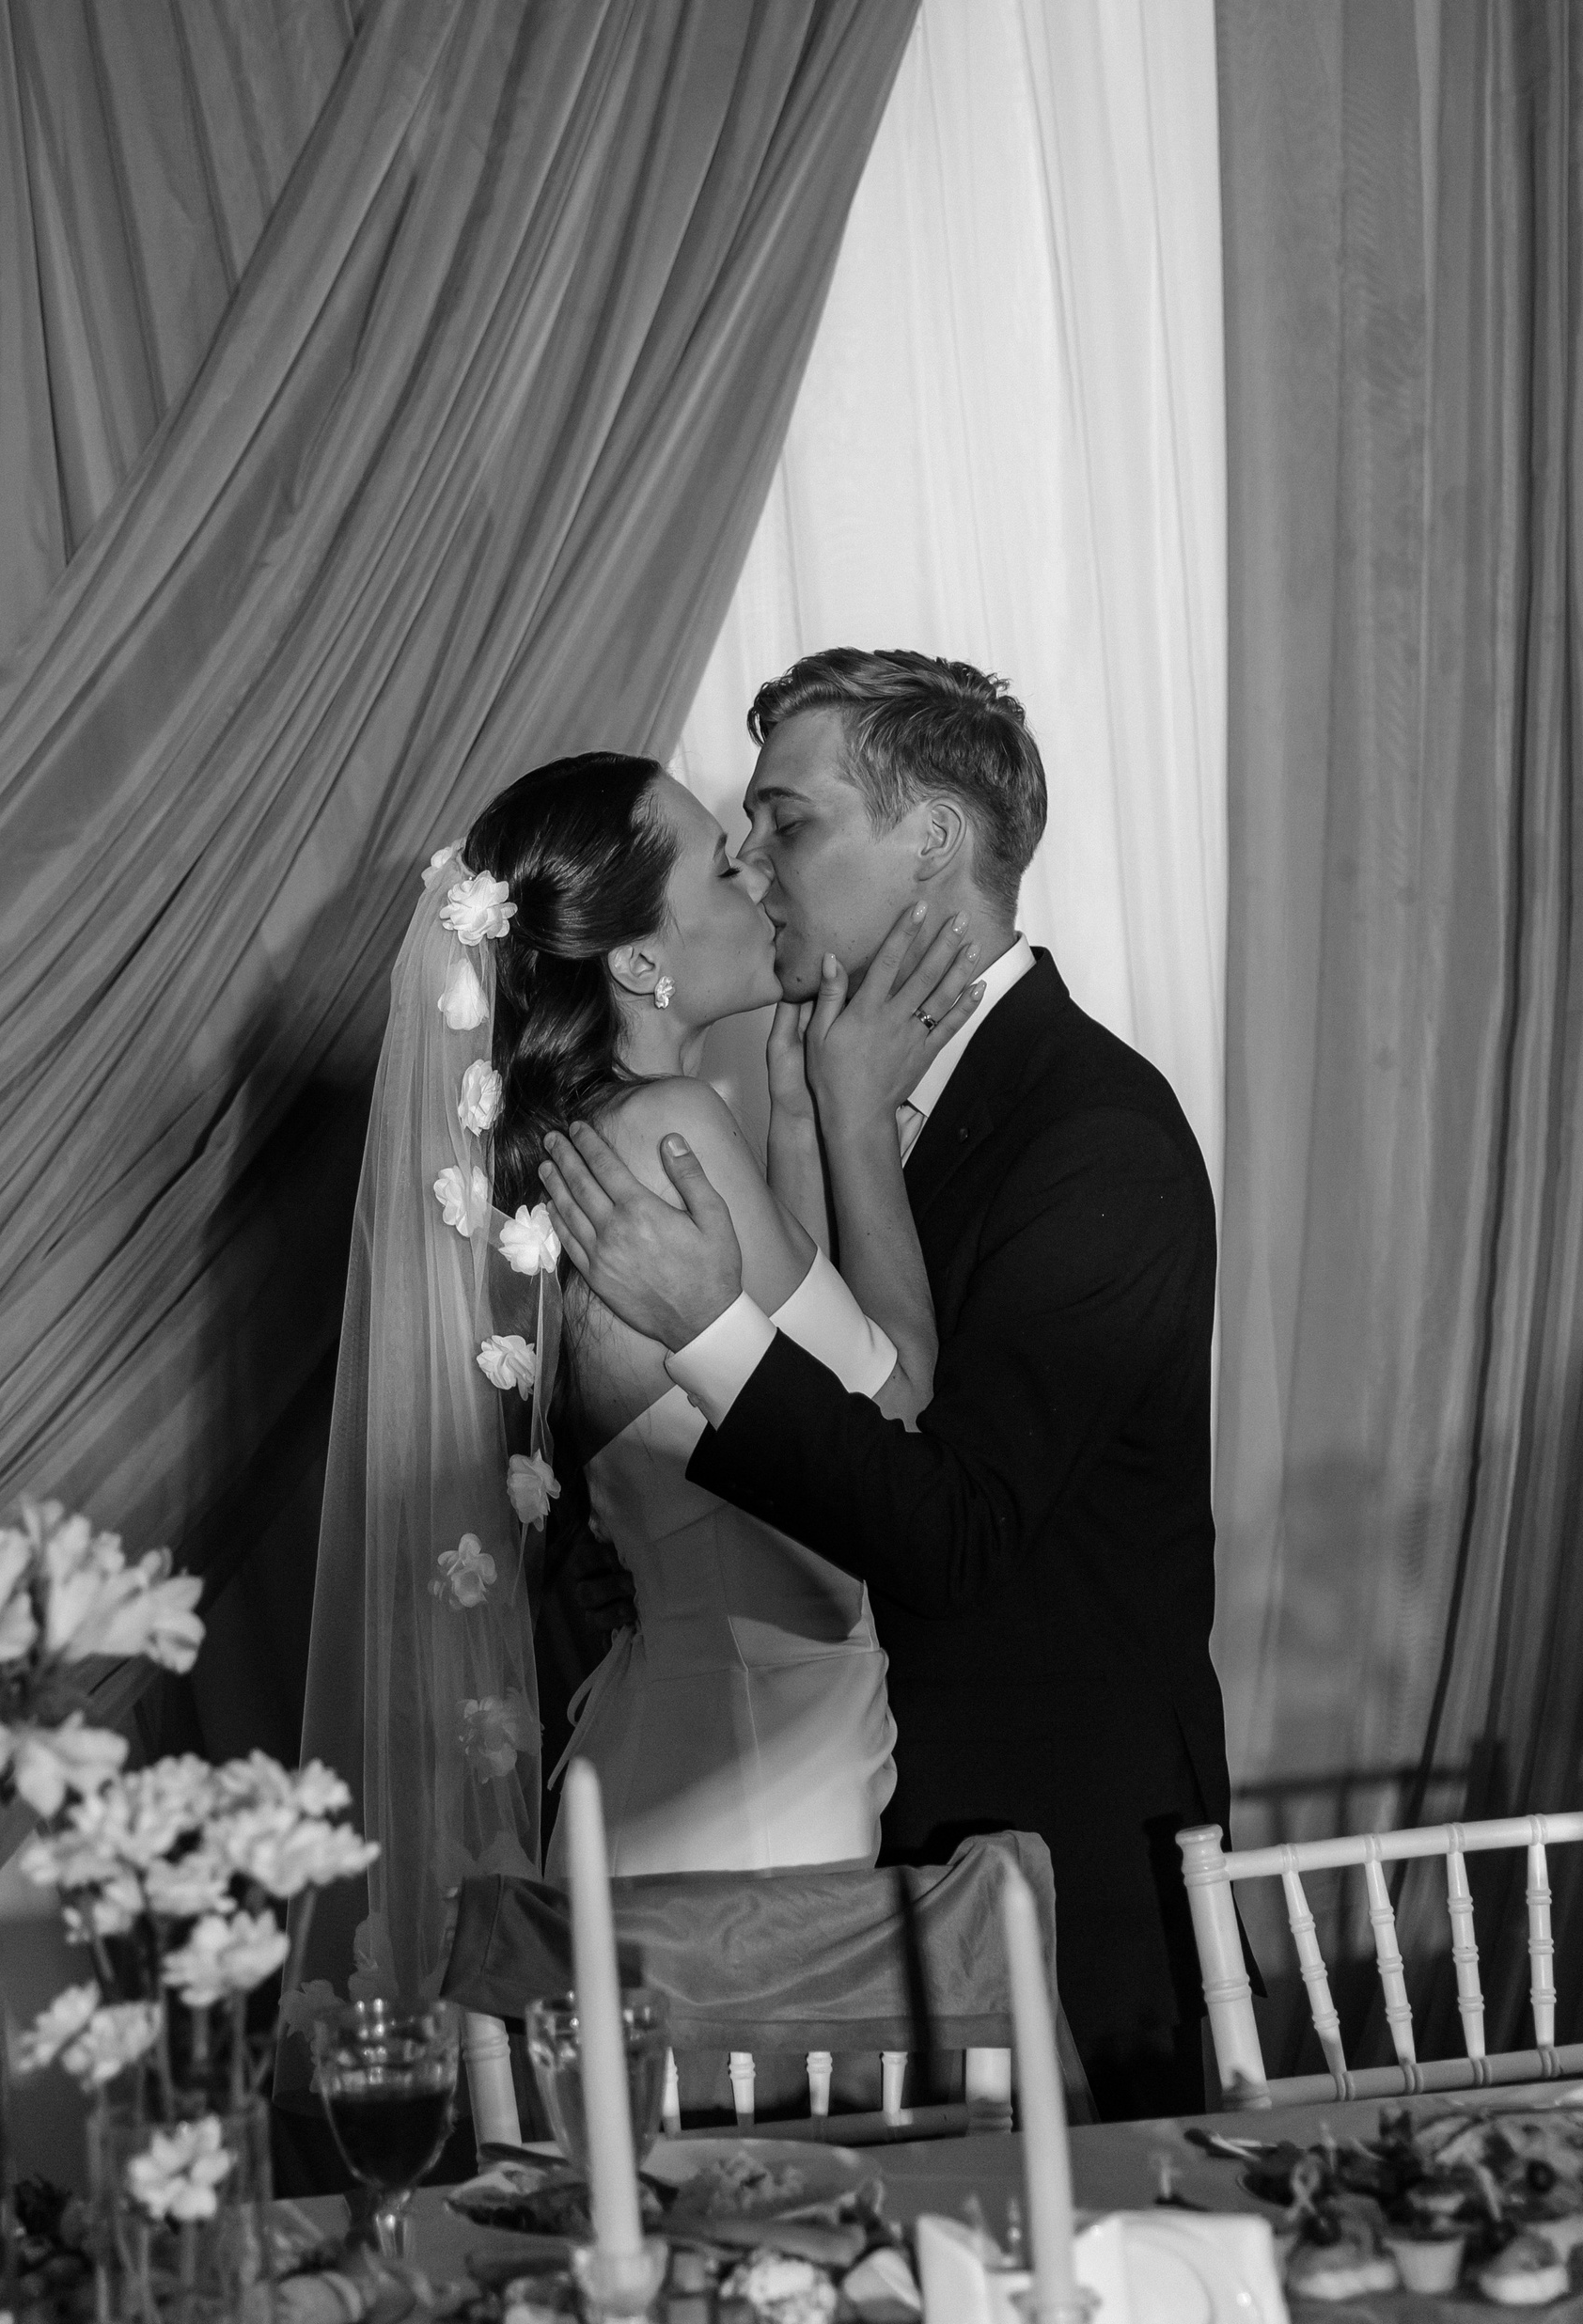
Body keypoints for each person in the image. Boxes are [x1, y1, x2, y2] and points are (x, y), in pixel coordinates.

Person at [541, 652, 1234, 2114]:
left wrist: (712, 1332)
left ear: (933, 842)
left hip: (1055, 1868)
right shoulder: (804, 1095)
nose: (752, 861)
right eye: (743, 832)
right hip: (831, 1862)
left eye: (786, 822)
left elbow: (958, 1522)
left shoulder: (1095, 1133)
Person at [298, 752, 985, 1998]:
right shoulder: (670, 1128)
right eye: (723, 866)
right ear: (635, 961)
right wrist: (856, 1121)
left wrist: (791, 1117)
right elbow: (895, 1414)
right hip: (750, 1782)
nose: (758, 874)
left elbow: (786, 1383)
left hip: (681, 1742)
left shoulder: (594, 1145)